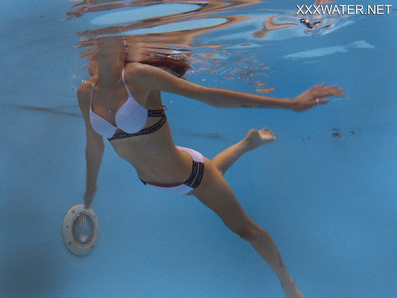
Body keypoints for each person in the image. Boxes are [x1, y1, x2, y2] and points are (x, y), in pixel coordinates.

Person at [76, 36, 344, 298]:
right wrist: (90, 187)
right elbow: (93, 144)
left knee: (245, 230)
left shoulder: (138, 76)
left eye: (100, 50)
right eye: (92, 53)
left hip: (192, 174)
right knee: (202, 185)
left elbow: (210, 97)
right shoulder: (85, 92)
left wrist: (290, 104)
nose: (94, 58)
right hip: (153, 180)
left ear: (119, 53)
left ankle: (288, 283)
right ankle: (247, 143)